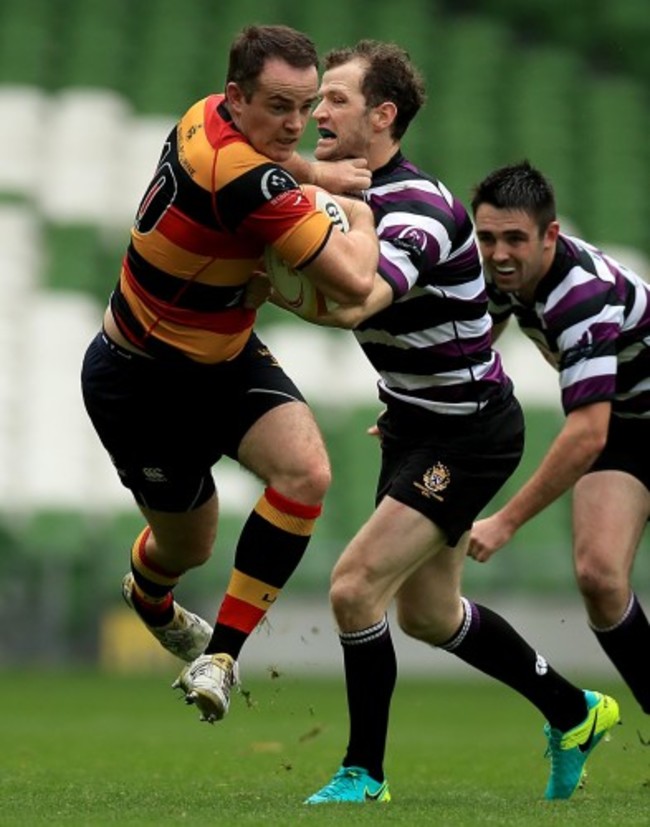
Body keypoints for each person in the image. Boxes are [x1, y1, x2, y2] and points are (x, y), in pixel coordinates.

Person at [267, 40, 621, 804]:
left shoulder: (419, 207)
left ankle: (365, 773)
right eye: (318, 99)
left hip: (468, 435)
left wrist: (276, 281)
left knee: (353, 586)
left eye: (336, 99)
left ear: (383, 115)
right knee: (428, 616)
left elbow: (362, 298)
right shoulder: (352, 193)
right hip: (419, 424)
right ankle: (574, 709)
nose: (317, 112)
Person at [80, 24, 379, 726]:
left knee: (306, 473)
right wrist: (362, 215)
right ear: (238, 96)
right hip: (139, 382)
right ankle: (150, 597)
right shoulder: (246, 183)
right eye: (279, 106)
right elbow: (353, 281)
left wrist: (316, 173)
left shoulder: (202, 116)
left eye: (306, 108)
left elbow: (270, 164)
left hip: (219, 360)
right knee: (189, 544)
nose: (296, 124)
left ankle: (220, 653)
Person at [468, 160, 650, 718]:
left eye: (515, 239)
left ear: (551, 235)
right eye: (487, 237)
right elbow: (473, 349)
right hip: (630, 423)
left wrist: (505, 521)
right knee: (599, 576)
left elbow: (586, 435)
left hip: (614, 424)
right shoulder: (509, 279)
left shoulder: (582, 300)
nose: (499, 253)